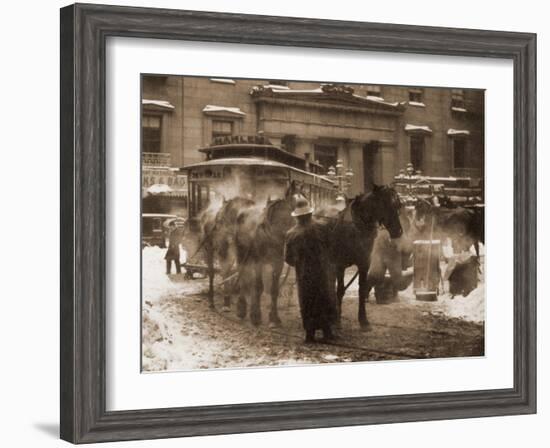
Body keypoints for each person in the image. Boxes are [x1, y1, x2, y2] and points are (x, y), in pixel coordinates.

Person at [284, 197, 337, 343]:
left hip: (304, 275)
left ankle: (310, 334)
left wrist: (300, 264)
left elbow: (288, 259)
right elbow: (331, 246)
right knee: (324, 298)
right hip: (322, 271)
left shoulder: (291, 234)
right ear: (309, 214)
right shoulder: (322, 227)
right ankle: (327, 332)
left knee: (307, 301)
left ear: (297, 217)